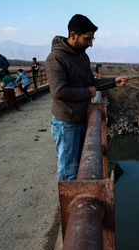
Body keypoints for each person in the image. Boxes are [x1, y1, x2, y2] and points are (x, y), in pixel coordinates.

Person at [45, 14, 130, 181]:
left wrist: (113, 82)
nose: (90, 44)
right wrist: (88, 93)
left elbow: (91, 82)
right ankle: (66, 206)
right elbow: (59, 92)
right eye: (87, 39)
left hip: (82, 118)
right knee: (69, 170)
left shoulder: (82, 56)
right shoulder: (56, 58)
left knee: (79, 165)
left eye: (93, 39)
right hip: (66, 123)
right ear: (73, 35)